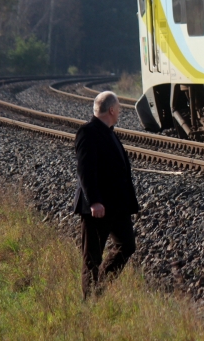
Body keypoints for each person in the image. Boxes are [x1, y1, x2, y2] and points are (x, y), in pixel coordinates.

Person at [73, 91, 140, 299]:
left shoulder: (109, 131)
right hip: (98, 209)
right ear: (111, 110)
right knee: (92, 257)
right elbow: (85, 170)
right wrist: (94, 201)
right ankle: (89, 302)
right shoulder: (88, 132)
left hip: (117, 207)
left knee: (127, 246)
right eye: (118, 108)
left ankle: (100, 287)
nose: (119, 111)